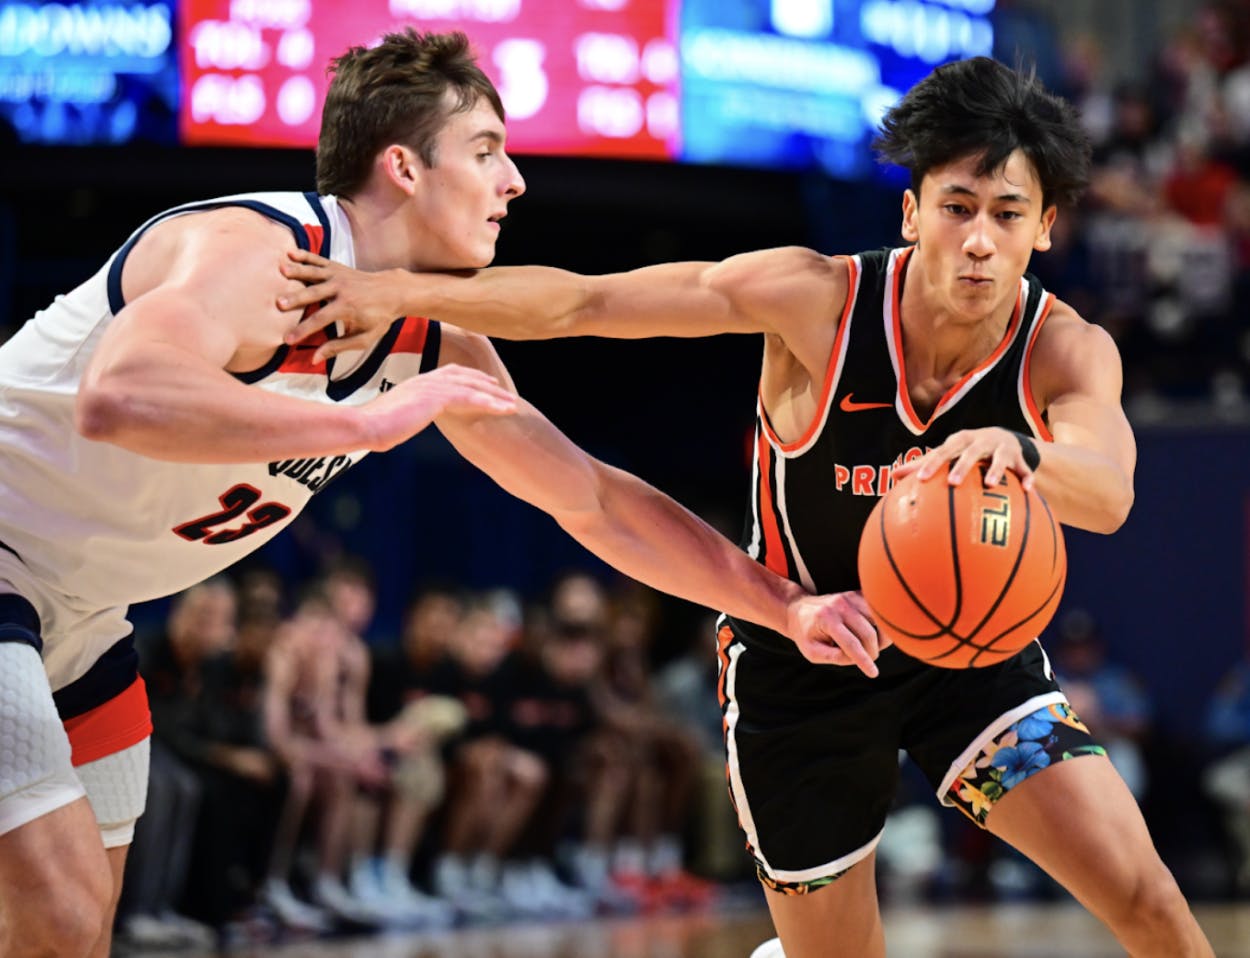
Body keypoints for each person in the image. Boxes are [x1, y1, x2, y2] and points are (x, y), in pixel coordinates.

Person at [278, 56, 1214, 957]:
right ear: (911, 211)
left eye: (1006, 214)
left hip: (968, 661)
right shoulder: (814, 298)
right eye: (956, 207)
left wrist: (1020, 448)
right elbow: (587, 305)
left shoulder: (1066, 349)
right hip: (797, 658)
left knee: (1146, 895)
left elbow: (1110, 492)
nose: (978, 239)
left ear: (1043, 227)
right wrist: (392, 291)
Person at [0, 29, 880, 958]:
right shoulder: (261, 251)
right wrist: (365, 425)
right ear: (403, 168)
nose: (516, 183)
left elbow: (591, 500)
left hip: (84, 622)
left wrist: (785, 606)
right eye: (488, 151)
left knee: (75, 932)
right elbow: (120, 396)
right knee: (54, 913)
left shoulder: (430, 336)